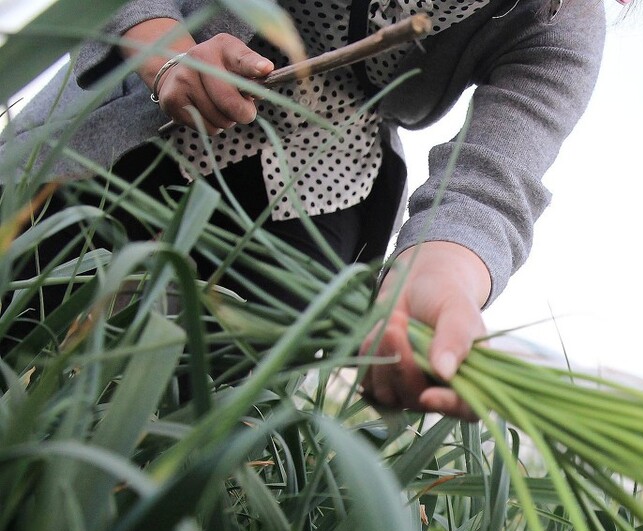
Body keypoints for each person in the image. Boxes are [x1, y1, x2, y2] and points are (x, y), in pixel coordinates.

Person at [0, 0, 610, 417]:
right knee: (21, 311)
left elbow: (486, 187)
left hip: (313, 216)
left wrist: (433, 283)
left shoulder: (564, 21)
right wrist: (164, 50)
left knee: (173, 426)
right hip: (135, 124)